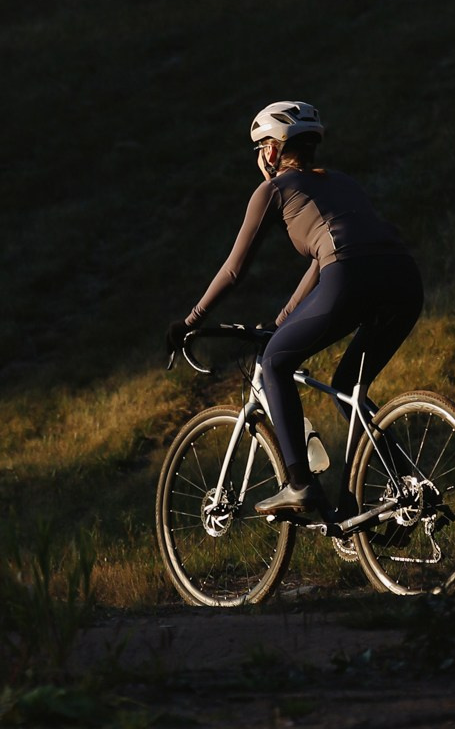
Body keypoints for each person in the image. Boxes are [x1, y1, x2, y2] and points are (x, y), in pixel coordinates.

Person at [168, 100, 423, 520]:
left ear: (271, 150)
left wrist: (189, 321)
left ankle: (300, 486)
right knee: (350, 387)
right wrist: (282, 322)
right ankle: (406, 490)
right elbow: (320, 261)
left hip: (350, 274)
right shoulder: (343, 183)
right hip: (404, 277)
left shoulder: (273, 190)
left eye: (259, 149)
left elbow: (234, 270)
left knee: (275, 362)